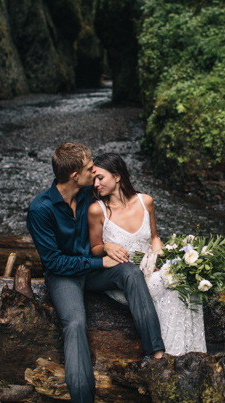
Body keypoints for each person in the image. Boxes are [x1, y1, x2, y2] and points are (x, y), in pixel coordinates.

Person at [26, 143, 164, 403]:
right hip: (64, 276)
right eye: (91, 169)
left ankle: (156, 356)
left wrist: (112, 245)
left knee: (131, 273)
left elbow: (122, 200)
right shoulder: (40, 209)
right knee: (75, 323)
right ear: (75, 176)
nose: (95, 172)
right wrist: (100, 263)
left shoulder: (91, 191)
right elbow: (54, 263)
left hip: (93, 270)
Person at [88, 152, 207, 355]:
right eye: (93, 180)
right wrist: (107, 247)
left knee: (183, 280)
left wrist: (160, 254)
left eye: (100, 177)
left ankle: (191, 351)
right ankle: (169, 354)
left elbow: (154, 237)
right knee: (167, 284)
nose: (96, 184)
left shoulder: (146, 202)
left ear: (117, 176)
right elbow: (95, 248)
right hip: (125, 280)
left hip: (151, 268)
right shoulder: (97, 210)